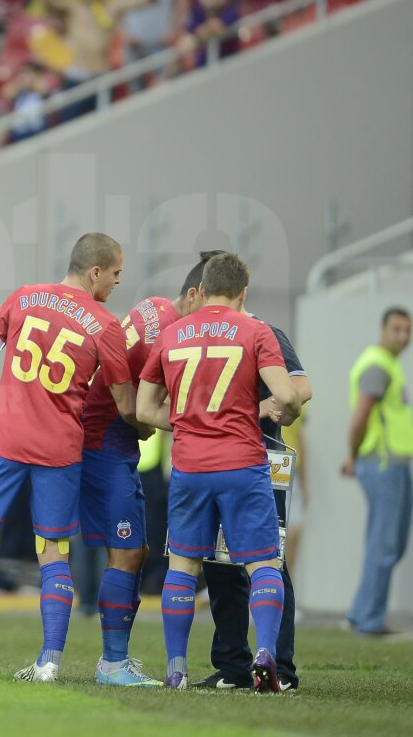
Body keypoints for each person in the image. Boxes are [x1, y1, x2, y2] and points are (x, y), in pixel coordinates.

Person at [0, 233, 139, 681]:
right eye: (116, 273)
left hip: (5, 439)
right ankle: (49, 661)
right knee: (53, 552)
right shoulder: (105, 326)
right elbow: (126, 406)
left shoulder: (23, 297)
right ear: (95, 272)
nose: (119, 281)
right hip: (60, 448)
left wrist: (1, 404)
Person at [136, 252, 302, 692]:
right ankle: (265, 654)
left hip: (189, 467)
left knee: (184, 566)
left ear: (202, 289)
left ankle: (176, 668)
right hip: (242, 464)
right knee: (264, 562)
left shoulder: (172, 335)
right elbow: (288, 393)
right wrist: (268, 409)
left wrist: (189, 423)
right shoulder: (255, 330)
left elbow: (143, 407)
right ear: (243, 292)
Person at [183, 250, 312, 693]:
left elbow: (301, 386)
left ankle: (283, 666)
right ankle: (233, 665)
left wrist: (250, 409)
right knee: (218, 564)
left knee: (266, 560)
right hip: (213, 462)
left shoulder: (263, 330)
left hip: (259, 458)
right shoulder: (199, 334)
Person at [79, 283, 196, 685]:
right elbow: (135, 409)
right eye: (115, 273)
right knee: (127, 551)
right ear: (196, 294)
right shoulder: (168, 332)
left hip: (105, 442)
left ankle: (109, 660)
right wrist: (197, 423)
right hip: (104, 444)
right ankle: (111, 663)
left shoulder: (154, 307)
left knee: (136, 548)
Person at [343, 307, 413, 636]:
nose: (403, 336)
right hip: (383, 464)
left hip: (389, 464)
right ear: (382, 329)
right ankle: (369, 620)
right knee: (385, 544)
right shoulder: (377, 366)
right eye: (396, 329)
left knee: (387, 544)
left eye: (407, 330)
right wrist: (352, 456)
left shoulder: (388, 364)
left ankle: (360, 613)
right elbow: (359, 419)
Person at [174, 0, 240, 70]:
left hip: (232, 66)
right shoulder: (198, 12)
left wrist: (196, 38)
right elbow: (184, 42)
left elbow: (215, 26)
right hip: (203, 68)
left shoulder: (231, 11)